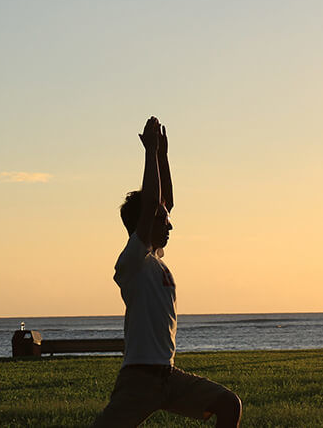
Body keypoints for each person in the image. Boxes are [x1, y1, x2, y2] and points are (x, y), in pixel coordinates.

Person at [94, 117, 242, 427]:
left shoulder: (156, 259)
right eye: (162, 220)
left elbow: (162, 203)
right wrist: (149, 153)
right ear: (144, 225)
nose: (170, 223)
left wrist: (163, 156)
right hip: (139, 380)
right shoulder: (133, 261)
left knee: (229, 405)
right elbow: (151, 206)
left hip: (168, 376)